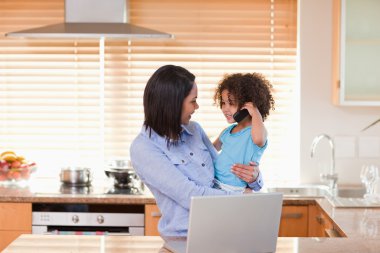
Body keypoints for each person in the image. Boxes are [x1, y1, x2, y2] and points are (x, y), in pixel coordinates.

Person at [130, 65, 263, 237]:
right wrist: (244, 199)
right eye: (193, 101)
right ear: (173, 104)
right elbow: (191, 196)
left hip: (225, 231)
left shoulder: (195, 130)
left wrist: (254, 178)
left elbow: (221, 171)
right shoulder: (144, 148)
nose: (197, 106)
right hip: (184, 241)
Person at [213, 73, 275, 192]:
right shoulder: (227, 131)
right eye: (223, 103)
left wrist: (255, 112)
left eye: (231, 103)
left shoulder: (256, 132)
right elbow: (210, 150)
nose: (225, 108)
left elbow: (259, 139)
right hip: (215, 183)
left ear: (247, 106)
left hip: (234, 188)